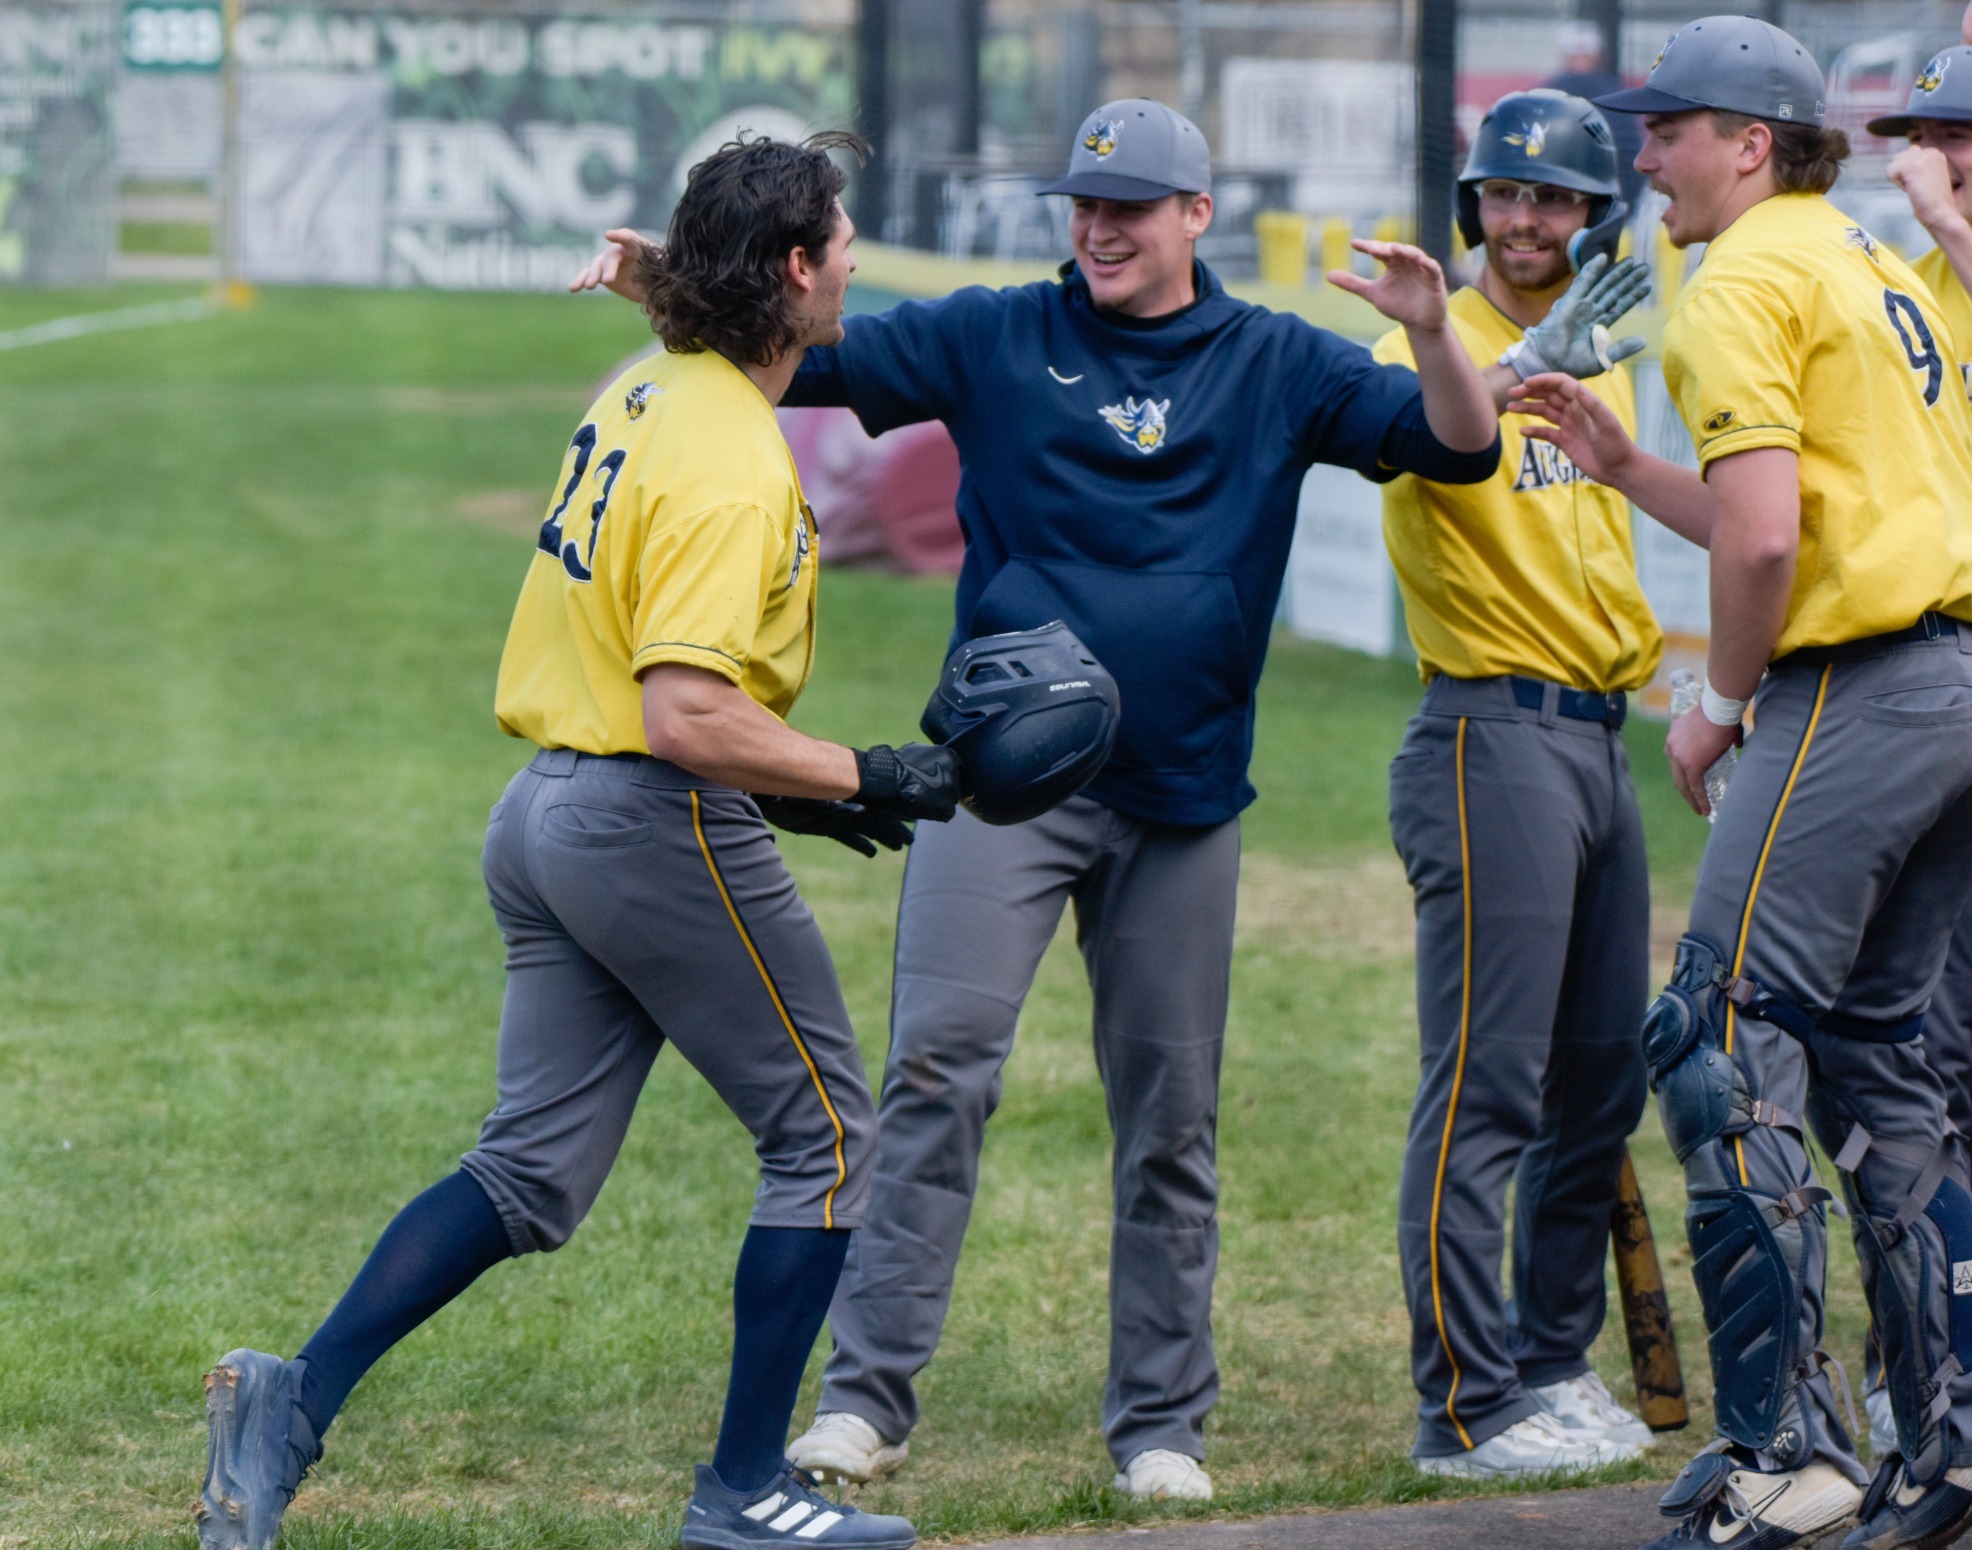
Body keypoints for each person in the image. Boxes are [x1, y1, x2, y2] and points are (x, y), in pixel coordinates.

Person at [574, 95, 1612, 1497]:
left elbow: (1456, 447)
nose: (1101, 227)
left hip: (1183, 798)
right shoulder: (997, 332)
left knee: (1170, 1117)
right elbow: (791, 363)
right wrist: (668, 286)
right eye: (1083, 203)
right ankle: (864, 1399)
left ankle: (1162, 1421)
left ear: (1197, 216)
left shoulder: (1271, 358)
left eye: (1131, 206)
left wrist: (1436, 328)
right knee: (936, 1070)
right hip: (1000, 792)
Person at [193, 133, 961, 1550]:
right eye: (839, 236)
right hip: (643, 818)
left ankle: (292, 1396)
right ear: (795, 271)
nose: (853, 253)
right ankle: (742, 1491)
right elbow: (682, 712)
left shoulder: (651, 387)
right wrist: (865, 768)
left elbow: (635, 672)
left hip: (543, 813)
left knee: (527, 1172)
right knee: (832, 1137)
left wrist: (804, 790)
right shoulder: (739, 454)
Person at [1519, 16, 1972, 1548]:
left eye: (1671, 128)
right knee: (1883, 1064)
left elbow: (1776, 547)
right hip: (1971, 677)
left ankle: (1791, 1450)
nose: (1642, 152)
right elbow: (1799, 506)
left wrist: (1714, 701)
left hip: (1863, 682)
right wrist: (1621, 464)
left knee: (1717, 1031)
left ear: (1751, 142)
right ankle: (1963, 1431)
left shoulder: (1740, 276)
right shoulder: (1860, 259)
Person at [1375, 88, 1668, 1479]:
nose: (1526, 220)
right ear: (1472, 204)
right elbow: (1429, 420)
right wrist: (1497, 359)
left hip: (1598, 736)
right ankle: (1463, 1403)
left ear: (1593, 213)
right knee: (1486, 1083)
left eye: (1554, 199)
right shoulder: (1429, 339)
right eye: (1504, 193)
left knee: (1602, 1078)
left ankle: (1550, 1365)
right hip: (1488, 735)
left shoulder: (1601, 349)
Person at [1866, 40, 1972, 1461]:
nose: (1935, 150)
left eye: (1962, 129)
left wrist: (1959, 230)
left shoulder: (1954, 262)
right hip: (1952, 708)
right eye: (1920, 130)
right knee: (1923, 1048)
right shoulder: (1899, 299)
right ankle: (1937, 1369)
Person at [1543, 21, 1646, 210]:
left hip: (1555, 209)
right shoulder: (1617, 93)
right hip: (1617, 210)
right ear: (1598, 55)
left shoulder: (1546, 93)